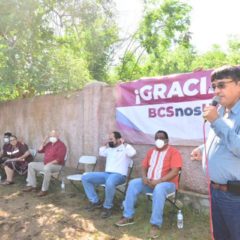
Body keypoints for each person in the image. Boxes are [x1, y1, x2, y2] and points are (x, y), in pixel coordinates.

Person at [191, 66, 240, 240]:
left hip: (236, 197)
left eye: (221, 85)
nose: (216, 91)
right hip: (216, 192)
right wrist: (203, 149)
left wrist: (216, 122)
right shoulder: (220, 112)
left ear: (239, 85)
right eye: (214, 87)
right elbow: (223, 141)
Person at [115, 130, 182, 239]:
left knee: (159, 188)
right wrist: (144, 177)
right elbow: (144, 167)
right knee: (133, 183)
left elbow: (175, 171)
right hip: (150, 183)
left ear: (167, 140)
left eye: (161, 138)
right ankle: (128, 216)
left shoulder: (174, 152)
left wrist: (159, 181)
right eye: (157, 138)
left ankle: (155, 224)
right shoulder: (151, 151)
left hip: (167, 184)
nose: (159, 140)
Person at [81, 131, 136, 218]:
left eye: (111, 139)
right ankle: (95, 201)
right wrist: (104, 144)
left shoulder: (125, 148)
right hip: (106, 174)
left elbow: (132, 153)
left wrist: (124, 143)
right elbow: (101, 153)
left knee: (110, 182)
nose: (109, 141)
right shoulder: (110, 149)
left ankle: (107, 207)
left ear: (118, 139)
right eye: (109, 139)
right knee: (85, 177)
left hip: (119, 175)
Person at [23, 130, 67, 197]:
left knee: (47, 168)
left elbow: (59, 159)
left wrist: (49, 164)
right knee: (31, 165)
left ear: (58, 136)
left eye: (54, 135)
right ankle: (32, 185)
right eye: (50, 136)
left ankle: (44, 190)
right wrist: (44, 141)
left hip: (57, 165)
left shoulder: (61, 145)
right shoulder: (49, 144)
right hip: (46, 164)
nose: (52, 137)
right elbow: (40, 150)